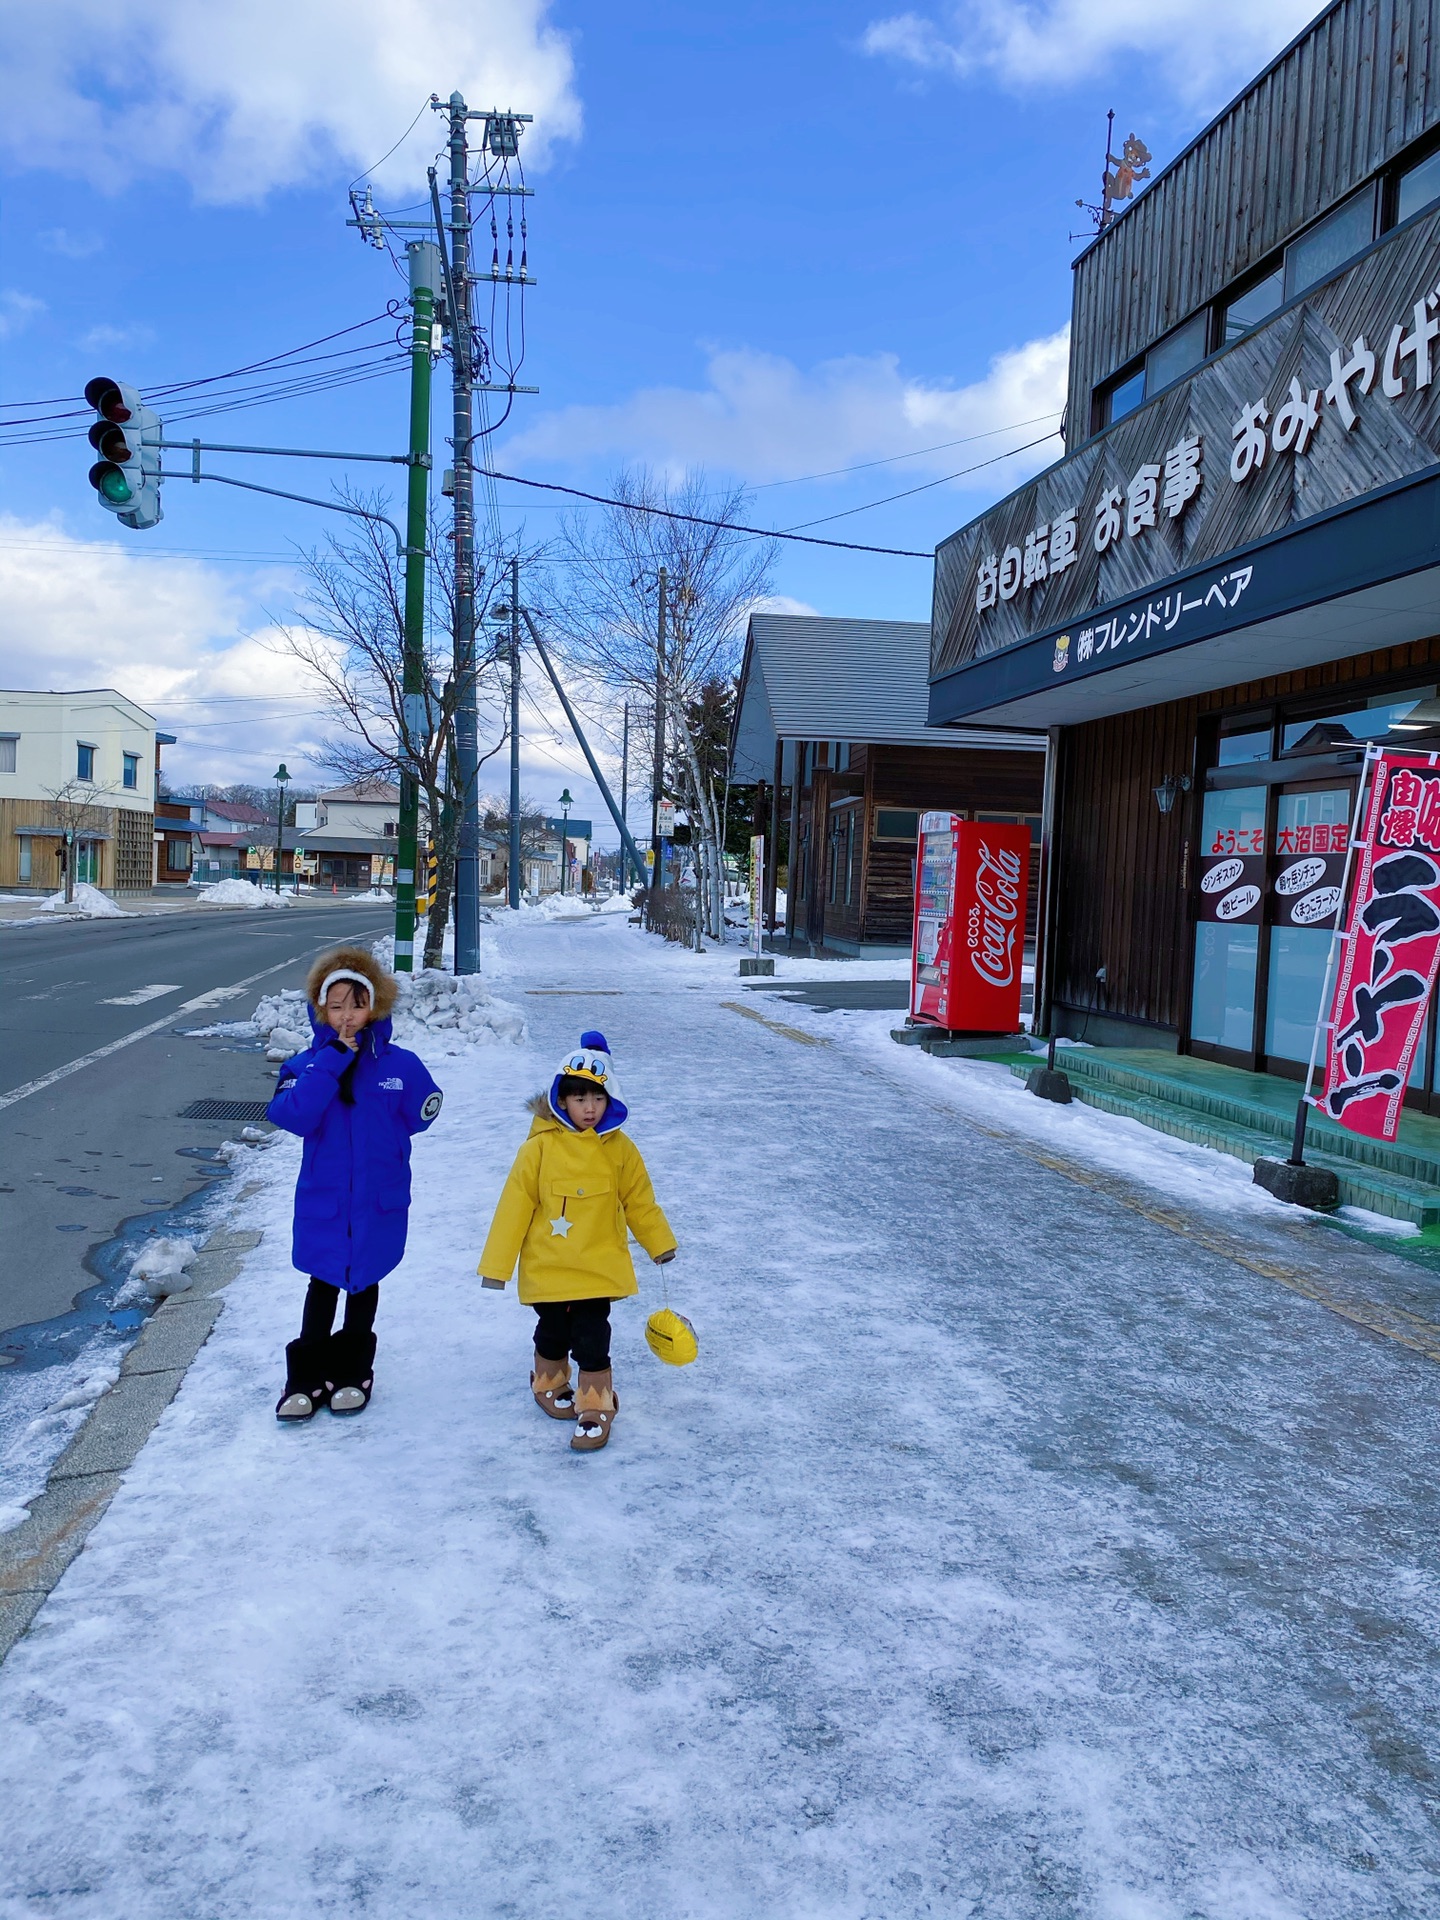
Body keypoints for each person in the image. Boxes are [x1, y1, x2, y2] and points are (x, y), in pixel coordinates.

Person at [478, 1030, 675, 1452]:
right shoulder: (538, 1150)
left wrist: (658, 1243)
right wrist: (496, 1268)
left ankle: (595, 1401)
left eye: (598, 1098)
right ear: (561, 1100)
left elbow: (639, 1200)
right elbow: (513, 1208)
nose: (589, 1108)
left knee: (591, 1336)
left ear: (610, 1100)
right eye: (579, 1098)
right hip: (548, 1265)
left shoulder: (620, 1150)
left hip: (597, 1266)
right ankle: (549, 1379)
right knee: (551, 1331)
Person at [269, 945, 442, 1422]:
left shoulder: (398, 1065)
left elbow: (422, 1111)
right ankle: (304, 1377)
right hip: (324, 1205)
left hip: (376, 1202)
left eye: (357, 1004)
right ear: (321, 1008)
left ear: (375, 1006)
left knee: (365, 1283)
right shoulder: (305, 1066)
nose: (347, 1015)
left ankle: (353, 1371)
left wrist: (384, 1145)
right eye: (336, 1005)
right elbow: (292, 1115)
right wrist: (332, 1061)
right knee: (321, 1285)